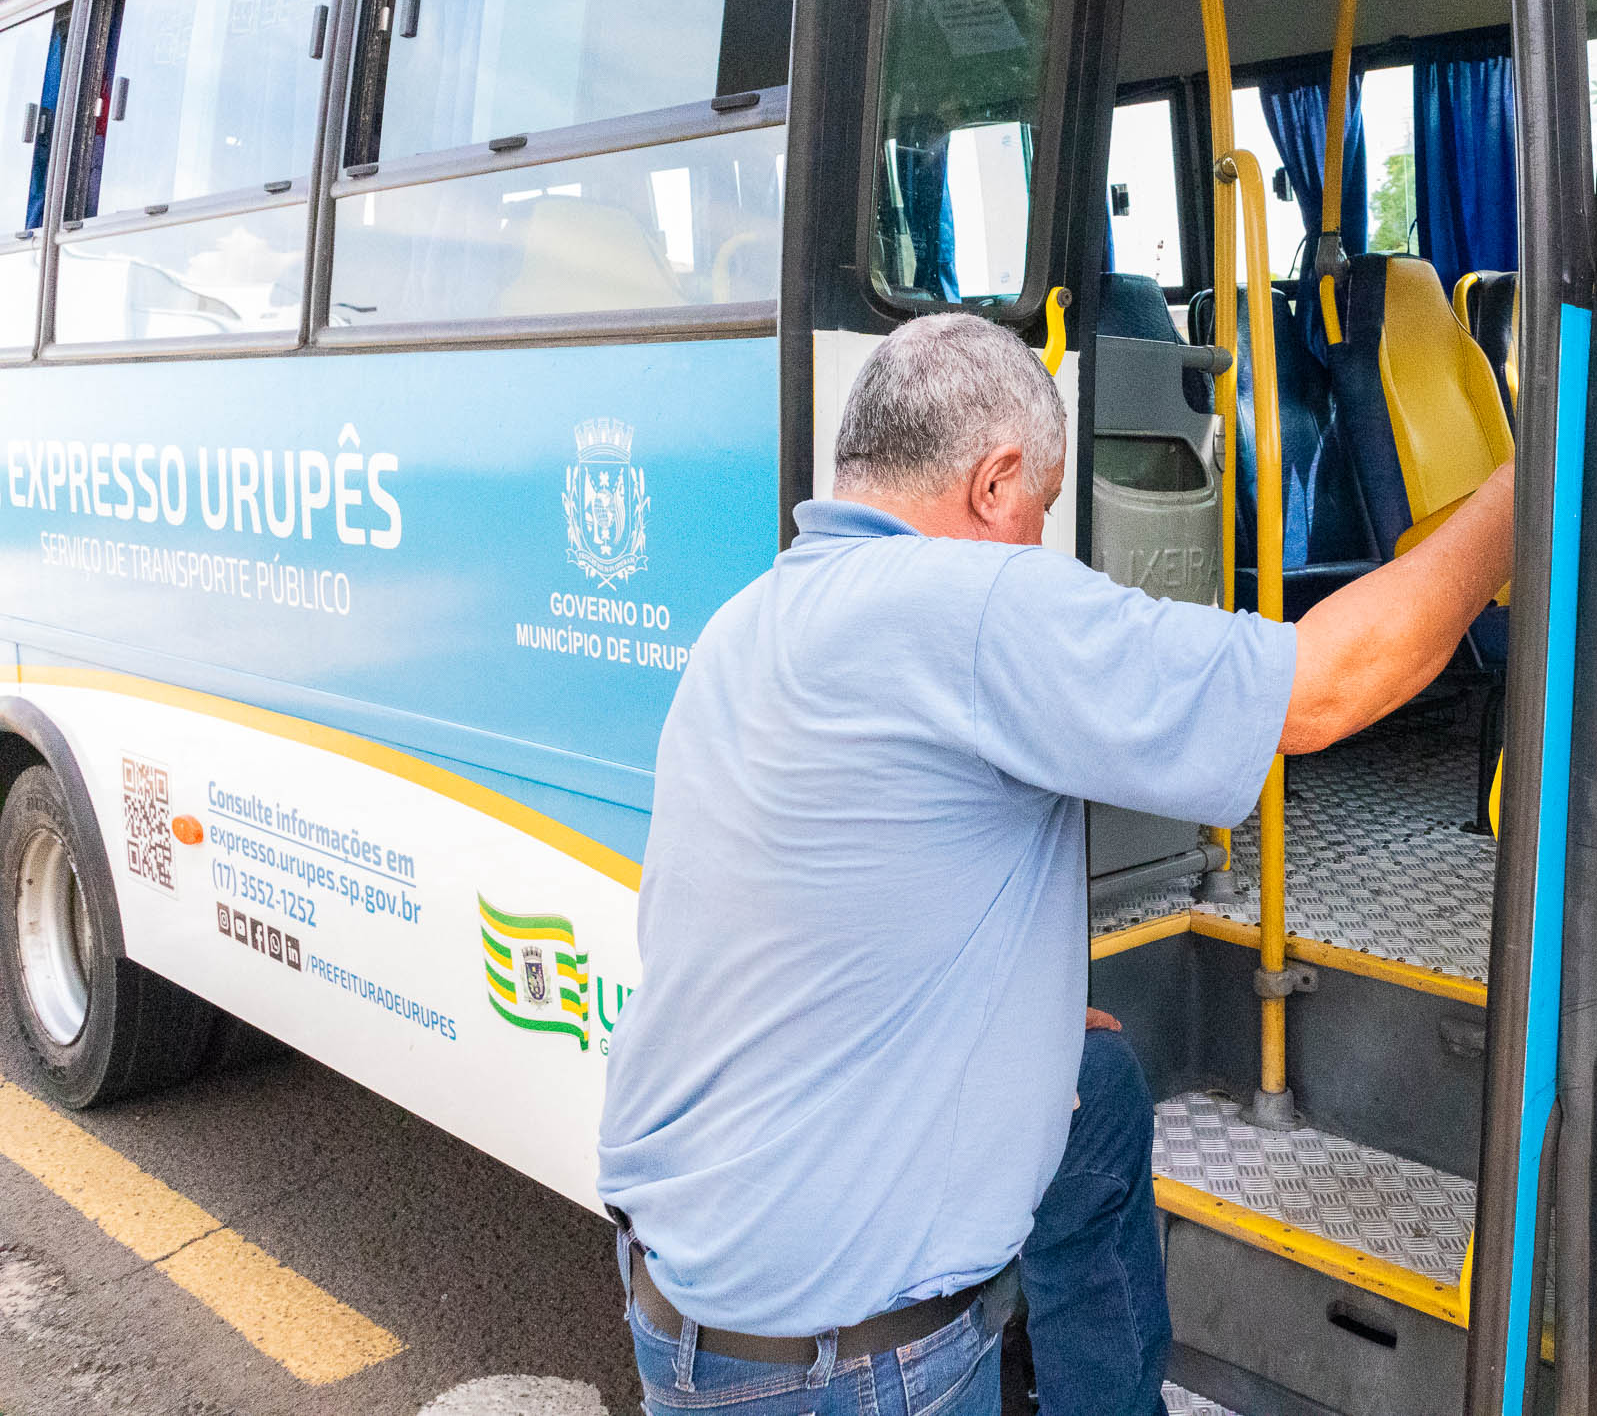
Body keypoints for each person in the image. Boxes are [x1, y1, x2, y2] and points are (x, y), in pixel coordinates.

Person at [597, 311, 1515, 1416]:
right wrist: (1530, 479)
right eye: (1038, 507)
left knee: (1100, 1097)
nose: (1038, 540)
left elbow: (787, 903)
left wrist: (1006, 1014)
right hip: (848, 1362)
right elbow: (1325, 686)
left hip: (693, 1278)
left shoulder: (752, 621)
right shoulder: (972, 603)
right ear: (993, 483)